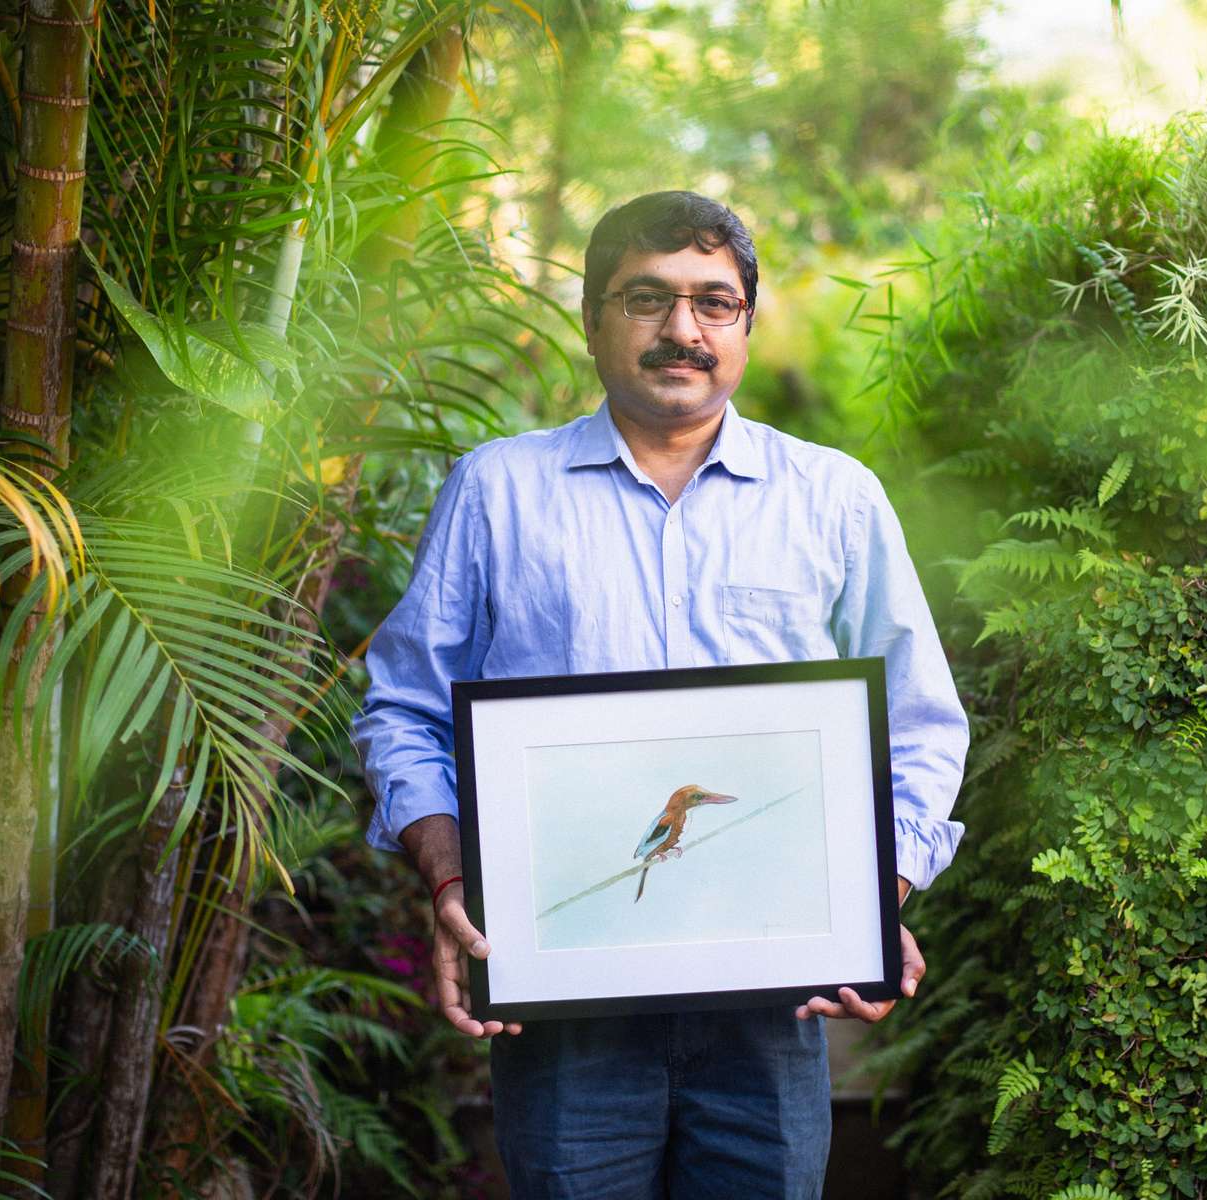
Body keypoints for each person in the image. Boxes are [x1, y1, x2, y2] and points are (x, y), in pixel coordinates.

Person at [352, 190, 968, 1199]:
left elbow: (920, 726)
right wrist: (453, 875)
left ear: (746, 324)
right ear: (595, 316)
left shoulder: (836, 500)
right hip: (563, 1006)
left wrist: (876, 890)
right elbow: (405, 707)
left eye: (714, 303)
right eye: (648, 298)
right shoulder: (496, 492)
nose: (683, 330)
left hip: (775, 1003)